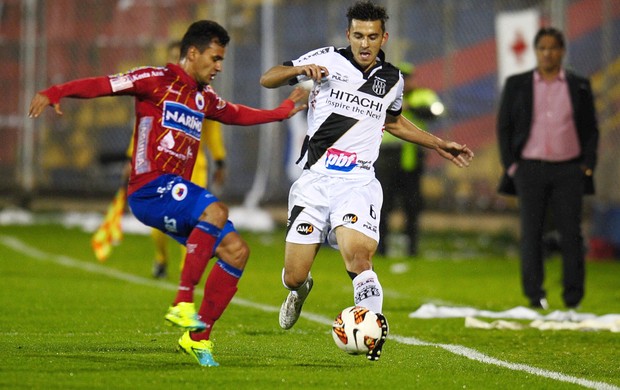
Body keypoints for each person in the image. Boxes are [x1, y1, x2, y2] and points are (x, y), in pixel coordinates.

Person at [29, 20, 308, 367]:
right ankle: (182, 301)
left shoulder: (202, 97)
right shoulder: (154, 79)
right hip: (149, 187)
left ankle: (197, 338)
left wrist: (280, 113)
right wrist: (57, 91)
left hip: (175, 193)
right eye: (215, 58)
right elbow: (104, 84)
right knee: (216, 210)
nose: (219, 66)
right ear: (193, 53)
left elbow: (235, 114)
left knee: (236, 252)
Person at [260, 1, 473, 361]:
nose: (364, 43)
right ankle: (300, 289)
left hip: (357, 183)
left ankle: (370, 327)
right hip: (314, 183)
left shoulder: (392, 79)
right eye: (358, 35)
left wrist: (439, 144)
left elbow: (394, 122)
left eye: (372, 36)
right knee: (294, 275)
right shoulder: (327, 58)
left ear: (383, 37)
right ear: (348, 35)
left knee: (359, 259)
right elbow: (268, 78)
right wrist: (301, 70)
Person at [497, 27, 599, 310]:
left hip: (569, 170)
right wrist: (512, 166)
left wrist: (587, 166)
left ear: (562, 51)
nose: (547, 53)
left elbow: (591, 129)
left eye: (553, 48)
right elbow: (504, 127)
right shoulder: (518, 84)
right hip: (530, 169)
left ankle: (573, 297)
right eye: (542, 48)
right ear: (535, 51)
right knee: (531, 232)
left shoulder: (579, 85)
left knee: (572, 234)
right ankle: (534, 294)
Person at [149, 40, 228, 279]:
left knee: (193, 221)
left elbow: (212, 131)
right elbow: (144, 129)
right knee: (159, 223)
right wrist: (132, 159)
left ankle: (187, 274)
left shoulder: (203, 93)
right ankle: (161, 257)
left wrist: (220, 159)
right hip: (161, 167)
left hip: (195, 168)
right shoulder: (157, 90)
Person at [375, 62, 444, 257]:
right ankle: (381, 249)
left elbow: (433, 113)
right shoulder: (381, 95)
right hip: (385, 157)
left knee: (412, 204)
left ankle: (412, 249)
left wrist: (409, 106)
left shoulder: (422, 95)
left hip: (411, 158)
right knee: (383, 204)